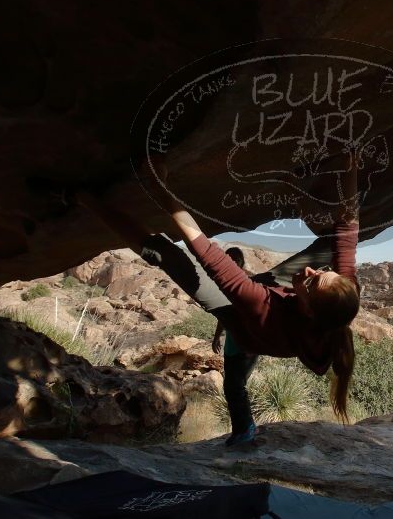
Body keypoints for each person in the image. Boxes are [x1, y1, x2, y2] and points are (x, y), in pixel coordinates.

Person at [77, 151, 361, 433]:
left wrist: (159, 189)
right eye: (323, 272)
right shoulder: (342, 297)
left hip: (243, 320)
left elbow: (208, 254)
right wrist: (350, 167)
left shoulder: (260, 308)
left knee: (165, 253)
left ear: (309, 307)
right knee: (331, 243)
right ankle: (300, 183)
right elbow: (347, 231)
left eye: (312, 282)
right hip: (277, 303)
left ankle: (84, 198)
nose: (313, 271)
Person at [211, 246, 262, 446]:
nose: (228, 262)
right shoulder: (228, 283)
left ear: (238, 261)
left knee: (235, 386)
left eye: (231, 259)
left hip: (247, 345)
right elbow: (224, 314)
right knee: (233, 386)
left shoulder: (247, 282)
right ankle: (242, 429)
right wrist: (217, 336)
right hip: (234, 344)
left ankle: (246, 429)